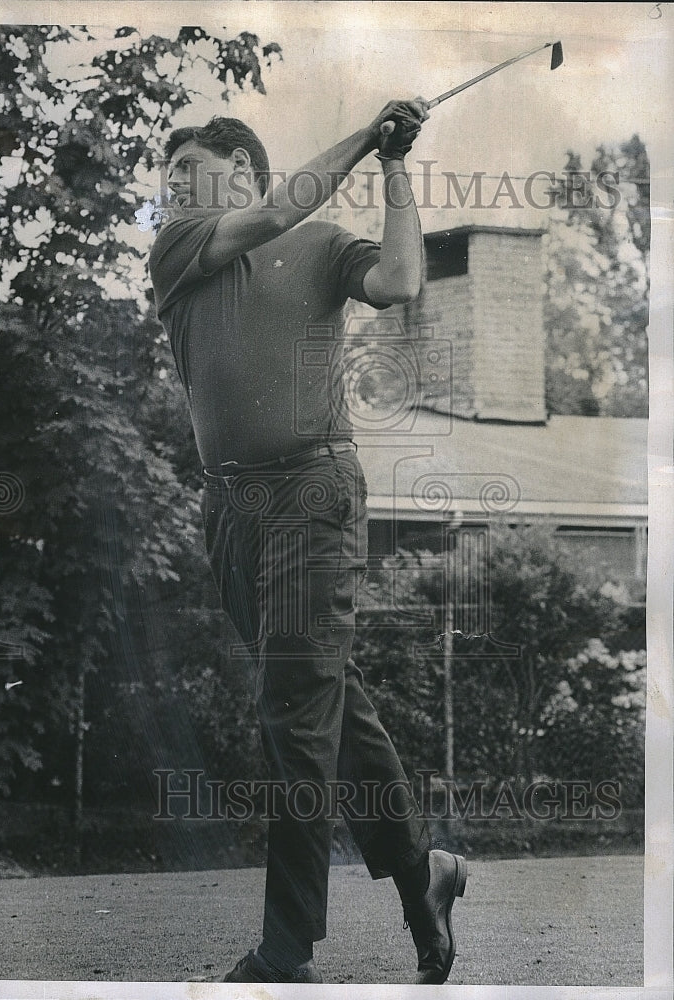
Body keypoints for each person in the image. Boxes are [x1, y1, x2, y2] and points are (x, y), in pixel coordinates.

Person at [148, 99, 467, 985]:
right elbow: (280, 211)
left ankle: (286, 951)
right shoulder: (178, 249)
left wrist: (395, 166)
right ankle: (422, 877)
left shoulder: (325, 245)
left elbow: (401, 280)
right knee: (329, 706)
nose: (170, 188)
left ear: (243, 171)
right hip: (230, 512)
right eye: (166, 177)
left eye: (190, 173)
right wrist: (368, 135)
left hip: (313, 492)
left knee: (292, 713)